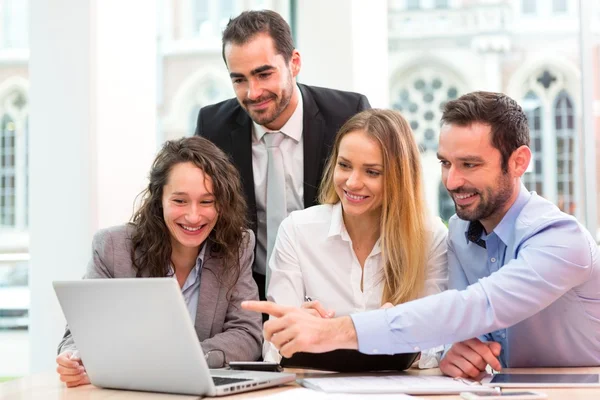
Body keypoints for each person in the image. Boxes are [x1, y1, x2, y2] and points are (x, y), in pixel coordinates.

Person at [242, 91, 600, 378]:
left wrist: (333, 331)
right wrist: (452, 350)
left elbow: (478, 305)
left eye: (470, 165)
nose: (452, 181)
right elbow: (456, 329)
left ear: (519, 162)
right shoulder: (461, 231)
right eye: (446, 163)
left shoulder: (562, 240)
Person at [56, 137, 262, 388]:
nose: (194, 215)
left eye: (207, 201)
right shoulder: (111, 247)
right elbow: (79, 334)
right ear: (159, 200)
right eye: (179, 201)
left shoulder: (237, 245)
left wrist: (182, 361)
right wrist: (74, 358)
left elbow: (248, 334)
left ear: (221, 204)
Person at [195, 10, 371, 299]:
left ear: (295, 63)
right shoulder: (212, 126)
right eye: (239, 79)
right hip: (249, 292)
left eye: (264, 74)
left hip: (335, 288)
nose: (253, 92)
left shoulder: (348, 114)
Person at [264, 109, 448, 366]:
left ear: (399, 177)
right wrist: (293, 331)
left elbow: (438, 348)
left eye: (372, 172)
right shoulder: (297, 230)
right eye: (344, 165)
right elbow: (273, 348)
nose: (352, 182)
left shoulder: (430, 237)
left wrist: (397, 326)